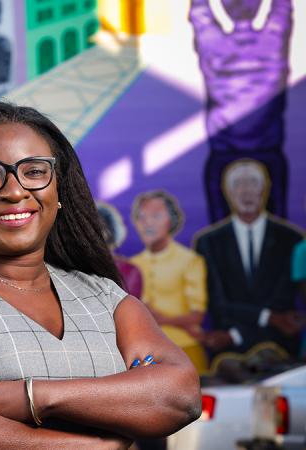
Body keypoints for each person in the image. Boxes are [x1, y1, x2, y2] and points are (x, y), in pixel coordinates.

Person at [0, 101, 200, 448]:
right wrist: (98, 445)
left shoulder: (104, 297)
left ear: (58, 189)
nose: (15, 191)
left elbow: (179, 397)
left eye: (34, 171)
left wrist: (33, 397)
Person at [190, 0, 293, 221]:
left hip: (224, 154)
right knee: (278, 234)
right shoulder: (272, 40)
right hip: (268, 153)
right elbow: (282, 8)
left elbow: (199, 12)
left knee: (219, 235)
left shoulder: (214, 43)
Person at [194, 158, 304, 356]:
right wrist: (269, 318)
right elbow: (217, 302)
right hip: (227, 352)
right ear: (228, 192)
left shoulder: (291, 239)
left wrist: (236, 335)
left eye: (253, 183)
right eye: (238, 184)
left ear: (264, 189)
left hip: (280, 347)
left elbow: (284, 301)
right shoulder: (208, 242)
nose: (246, 191)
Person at [129, 191, 209, 374]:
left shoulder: (190, 260)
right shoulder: (132, 265)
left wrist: (157, 318)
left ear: (171, 220)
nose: (147, 223)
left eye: (155, 216)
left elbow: (196, 316)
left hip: (185, 349)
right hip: (144, 356)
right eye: (142, 217)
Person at [96, 201, 142, 299]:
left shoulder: (129, 271)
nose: (92, 234)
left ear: (111, 232)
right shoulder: (72, 269)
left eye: (100, 227)